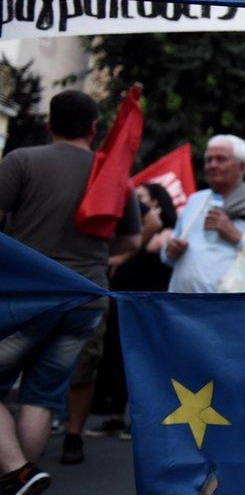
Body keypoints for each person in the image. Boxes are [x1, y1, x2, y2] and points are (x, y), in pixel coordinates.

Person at [0, 90, 142, 495]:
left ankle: (17, 473)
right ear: (94, 129)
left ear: (50, 123)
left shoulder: (22, 161)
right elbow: (131, 242)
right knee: (42, 396)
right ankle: (19, 481)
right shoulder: (114, 176)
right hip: (86, 298)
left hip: (26, 295)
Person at [85, 183, 179, 441]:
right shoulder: (127, 233)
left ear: (157, 204)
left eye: (140, 199)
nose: (133, 204)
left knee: (143, 358)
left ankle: (140, 420)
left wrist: (146, 224)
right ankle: (115, 415)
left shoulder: (165, 231)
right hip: (122, 299)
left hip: (148, 303)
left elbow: (152, 246)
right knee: (116, 356)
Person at [162, 135, 245, 293]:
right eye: (209, 159)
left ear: (242, 167)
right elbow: (168, 255)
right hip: (181, 306)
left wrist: (237, 236)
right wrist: (169, 251)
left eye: (221, 159)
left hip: (232, 311)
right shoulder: (195, 201)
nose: (212, 165)